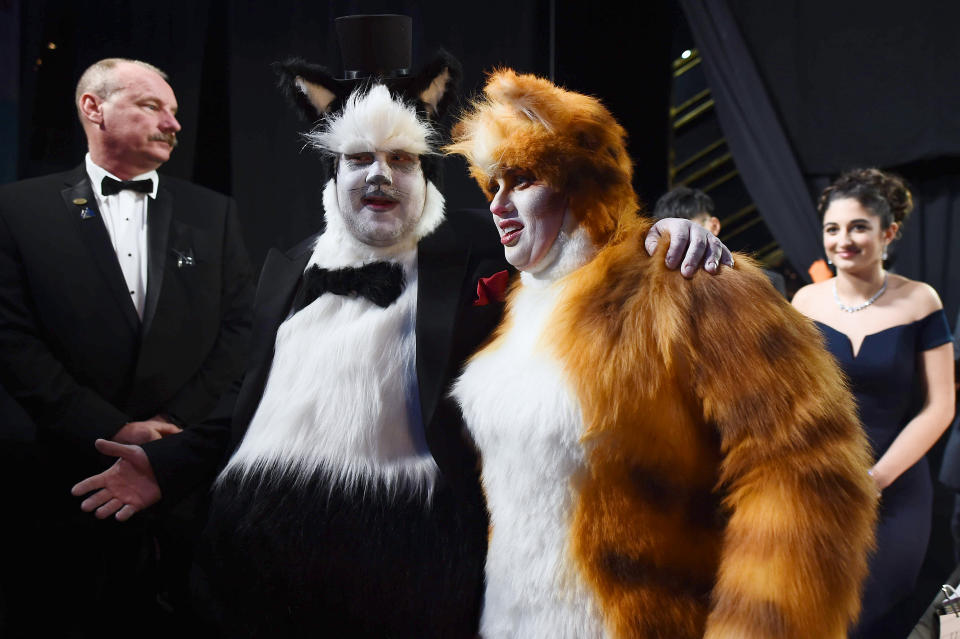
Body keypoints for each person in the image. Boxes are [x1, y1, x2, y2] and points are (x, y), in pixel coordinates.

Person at [69, 16, 730, 638]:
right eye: (359, 158)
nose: (379, 174)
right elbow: (244, 403)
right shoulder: (287, 266)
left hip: (417, 568)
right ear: (334, 172)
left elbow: (577, 259)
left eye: (401, 159)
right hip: (262, 566)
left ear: (424, 170)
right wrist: (166, 465)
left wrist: (656, 238)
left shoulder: (481, 248)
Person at [446, 69, 877, 638]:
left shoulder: (687, 282)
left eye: (522, 180)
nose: (498, 204)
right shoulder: (515, 300)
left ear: (581, 183)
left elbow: (809, 473)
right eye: (491, 184)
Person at [0, 58, 253, 637]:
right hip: (59, 482)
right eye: (152, 107)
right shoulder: (17, 211)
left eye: (175, 111)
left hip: (184, 482)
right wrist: (113, 427)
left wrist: (168, 426)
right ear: (93, 108)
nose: (173, 124)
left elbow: (241, 332)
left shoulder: (214, 213)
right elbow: (12, 341)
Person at [792, 168, 955, 639]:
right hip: (821, 483)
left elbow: (939, 406)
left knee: (873, 615)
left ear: (889, 232)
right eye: (832, 228)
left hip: (897, 483)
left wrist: (877, 478)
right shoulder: (804, 302)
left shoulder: (921, 300)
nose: (843, 240)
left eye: (858, 227)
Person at [653, 184, 787, 296]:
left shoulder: (767, 282)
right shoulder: (664, 295)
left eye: (690, 230)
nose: (683, 240)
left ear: (714, 225)